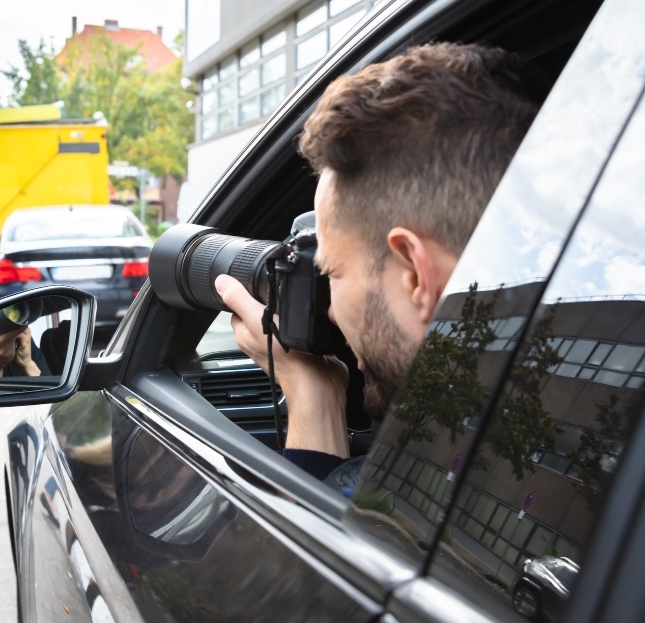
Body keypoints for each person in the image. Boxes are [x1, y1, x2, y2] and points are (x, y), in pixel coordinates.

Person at [214, 43, 541, 480]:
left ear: (416, 278)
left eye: (332, 272)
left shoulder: (438, 474)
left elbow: (314, 549)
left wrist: (312, 400)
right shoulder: (540, 428)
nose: (328, 309)